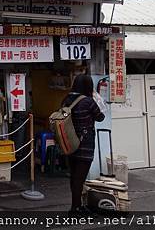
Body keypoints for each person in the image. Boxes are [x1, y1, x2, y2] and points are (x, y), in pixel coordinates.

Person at [62, 74, 105, 214]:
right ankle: (75, 208)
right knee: (80, 178)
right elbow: (100, 117)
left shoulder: (67, 100)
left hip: (69, 143)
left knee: (74, 177)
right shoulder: (87, 101)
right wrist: (96, 100)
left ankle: (77, 205)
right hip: (84, 145)